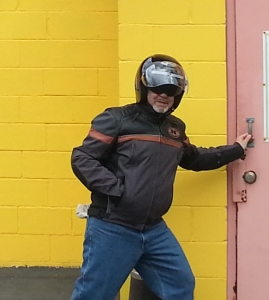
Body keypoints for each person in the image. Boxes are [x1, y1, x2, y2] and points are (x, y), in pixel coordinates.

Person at [70, 54, 252, 300]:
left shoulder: (174, 129)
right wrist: (118, 191)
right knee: (95, 294)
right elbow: (83, 158)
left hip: (154, 229)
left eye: (170, 90)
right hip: (113, 227)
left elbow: (194, 158)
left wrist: (235, 150)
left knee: (180, 286)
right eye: (157, 88)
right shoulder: (116, 119)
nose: (164, 95)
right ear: (144, 88)